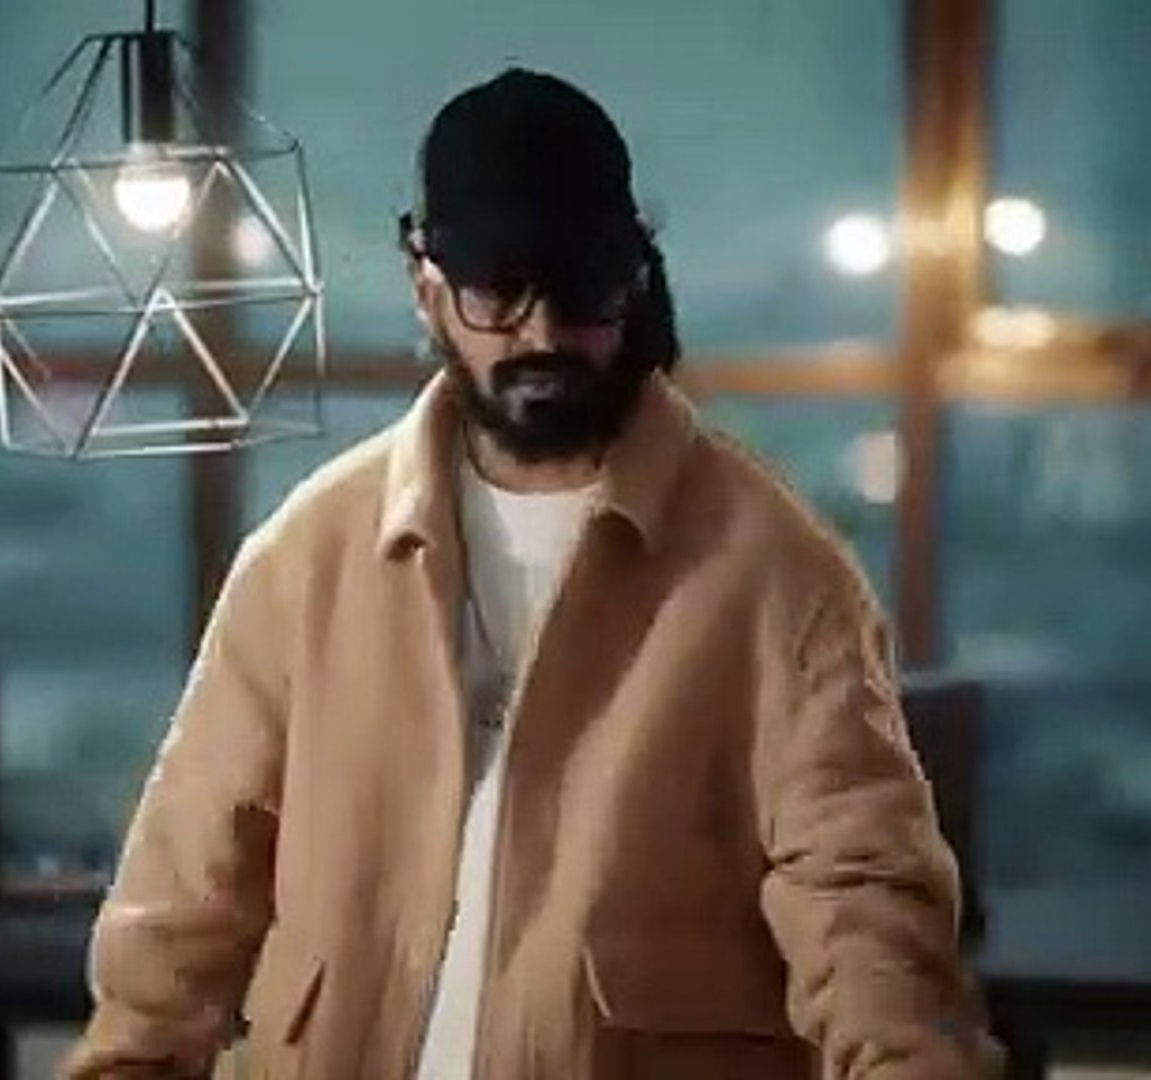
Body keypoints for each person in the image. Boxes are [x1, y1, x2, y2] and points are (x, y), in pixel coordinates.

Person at [62, 68, 1003, 1080]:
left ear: (633, 283)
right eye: (498, 293)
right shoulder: (309, 557)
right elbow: (184, 901)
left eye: (580, 292)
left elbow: (861, 898)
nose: (542, 334)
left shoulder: (775, 572)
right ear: (426, 285)